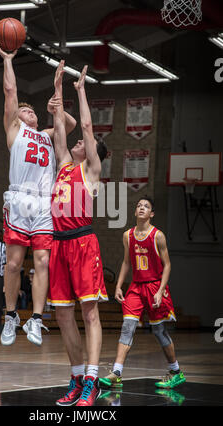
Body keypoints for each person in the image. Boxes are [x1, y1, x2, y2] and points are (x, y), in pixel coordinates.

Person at [0, 43, 76, 347]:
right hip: (18, 200)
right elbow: (10, 93)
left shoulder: (46, 134)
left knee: (42, 260)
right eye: (23, 109)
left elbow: (68, 124)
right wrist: (7, 60)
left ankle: (37, 318)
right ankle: (11, 315)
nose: (27, 111)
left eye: (31, 109)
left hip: (44, 203)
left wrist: (57, 99)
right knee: (14, 264)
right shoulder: (15, 131)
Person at [48, 61, 108, 407]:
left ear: (91, 152)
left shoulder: (91, 171)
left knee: (90, 314)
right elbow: (59, 125)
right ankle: (75, 376)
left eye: (85, 143)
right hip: (59, 246)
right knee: (63, 314)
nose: (78, 143)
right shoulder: (63, 165)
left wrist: (80, 90)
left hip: (84, 244)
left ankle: (92, 380)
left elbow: (84, 124)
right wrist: (57, 87)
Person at [99, 197, 186, 390]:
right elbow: (126, 262)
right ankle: (117, 373)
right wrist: (119, 285)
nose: (141, 208)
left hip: (155, 287)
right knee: (127, 327)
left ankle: (175, 371)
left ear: (152, 214)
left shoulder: (158, 236)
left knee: (159, 331)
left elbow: (168, 265)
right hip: (136, 287)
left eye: (146, 206)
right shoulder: (127, 235)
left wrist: (161, 290)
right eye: (139, 205)